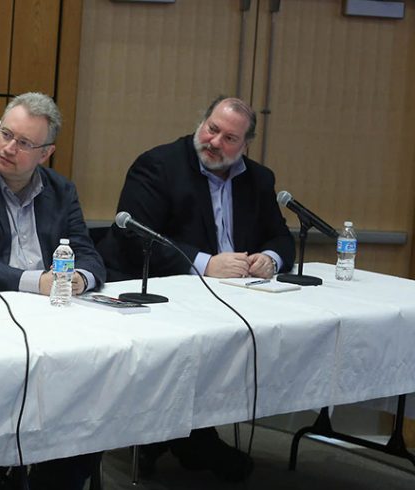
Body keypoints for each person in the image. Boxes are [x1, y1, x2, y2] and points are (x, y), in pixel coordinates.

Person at [98, 96, 296, 481]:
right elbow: (137, 239)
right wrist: (206, 263)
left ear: (245, 146)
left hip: (233, 298)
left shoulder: (259, 179)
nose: (215, 142)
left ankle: (193, 434)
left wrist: (271, 257)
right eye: (211, 128)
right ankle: (180, 437)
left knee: (250, 341)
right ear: (201, 123)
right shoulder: (158, 165)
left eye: (229, 138)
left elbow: (280, 237)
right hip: (155, 292)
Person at [0, 92, 104, 489]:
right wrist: (38, 283)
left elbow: (91, 257)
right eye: (5, 134)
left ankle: (58, 474)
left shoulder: (61, 191)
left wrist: (78, 278)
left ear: (46, 153)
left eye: (23, 143)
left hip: (54, 325)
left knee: (92, 384)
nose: (8, 148)